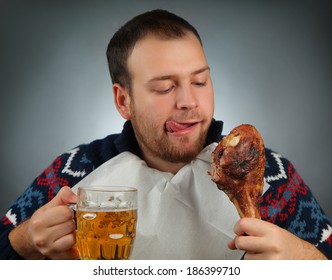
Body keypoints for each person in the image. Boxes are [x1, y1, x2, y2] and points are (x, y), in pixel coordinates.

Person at [0, 9, 331, 260]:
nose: (189, 101)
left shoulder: (272, 175)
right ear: (123, 100)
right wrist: (24, 241)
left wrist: (306, 260)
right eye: (164, 87)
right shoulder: (72, 171)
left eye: (199, 81)